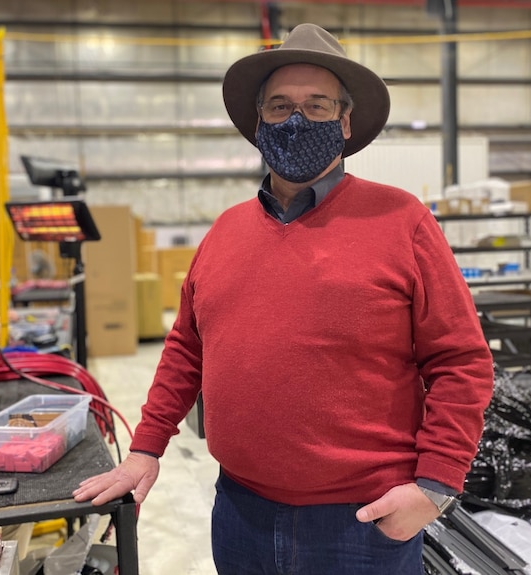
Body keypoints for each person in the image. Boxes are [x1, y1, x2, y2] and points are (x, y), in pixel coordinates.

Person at [73, 23, 494, 574]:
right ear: (258, 122)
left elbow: (461, 361)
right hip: (240, 514)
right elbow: (187, 348)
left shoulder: (401, 221)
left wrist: (435, 485)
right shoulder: (225, 231)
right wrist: (147, 449)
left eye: (317, 106)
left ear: (345, 122)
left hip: (363, 521)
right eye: (280, 107)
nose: (297, 121)